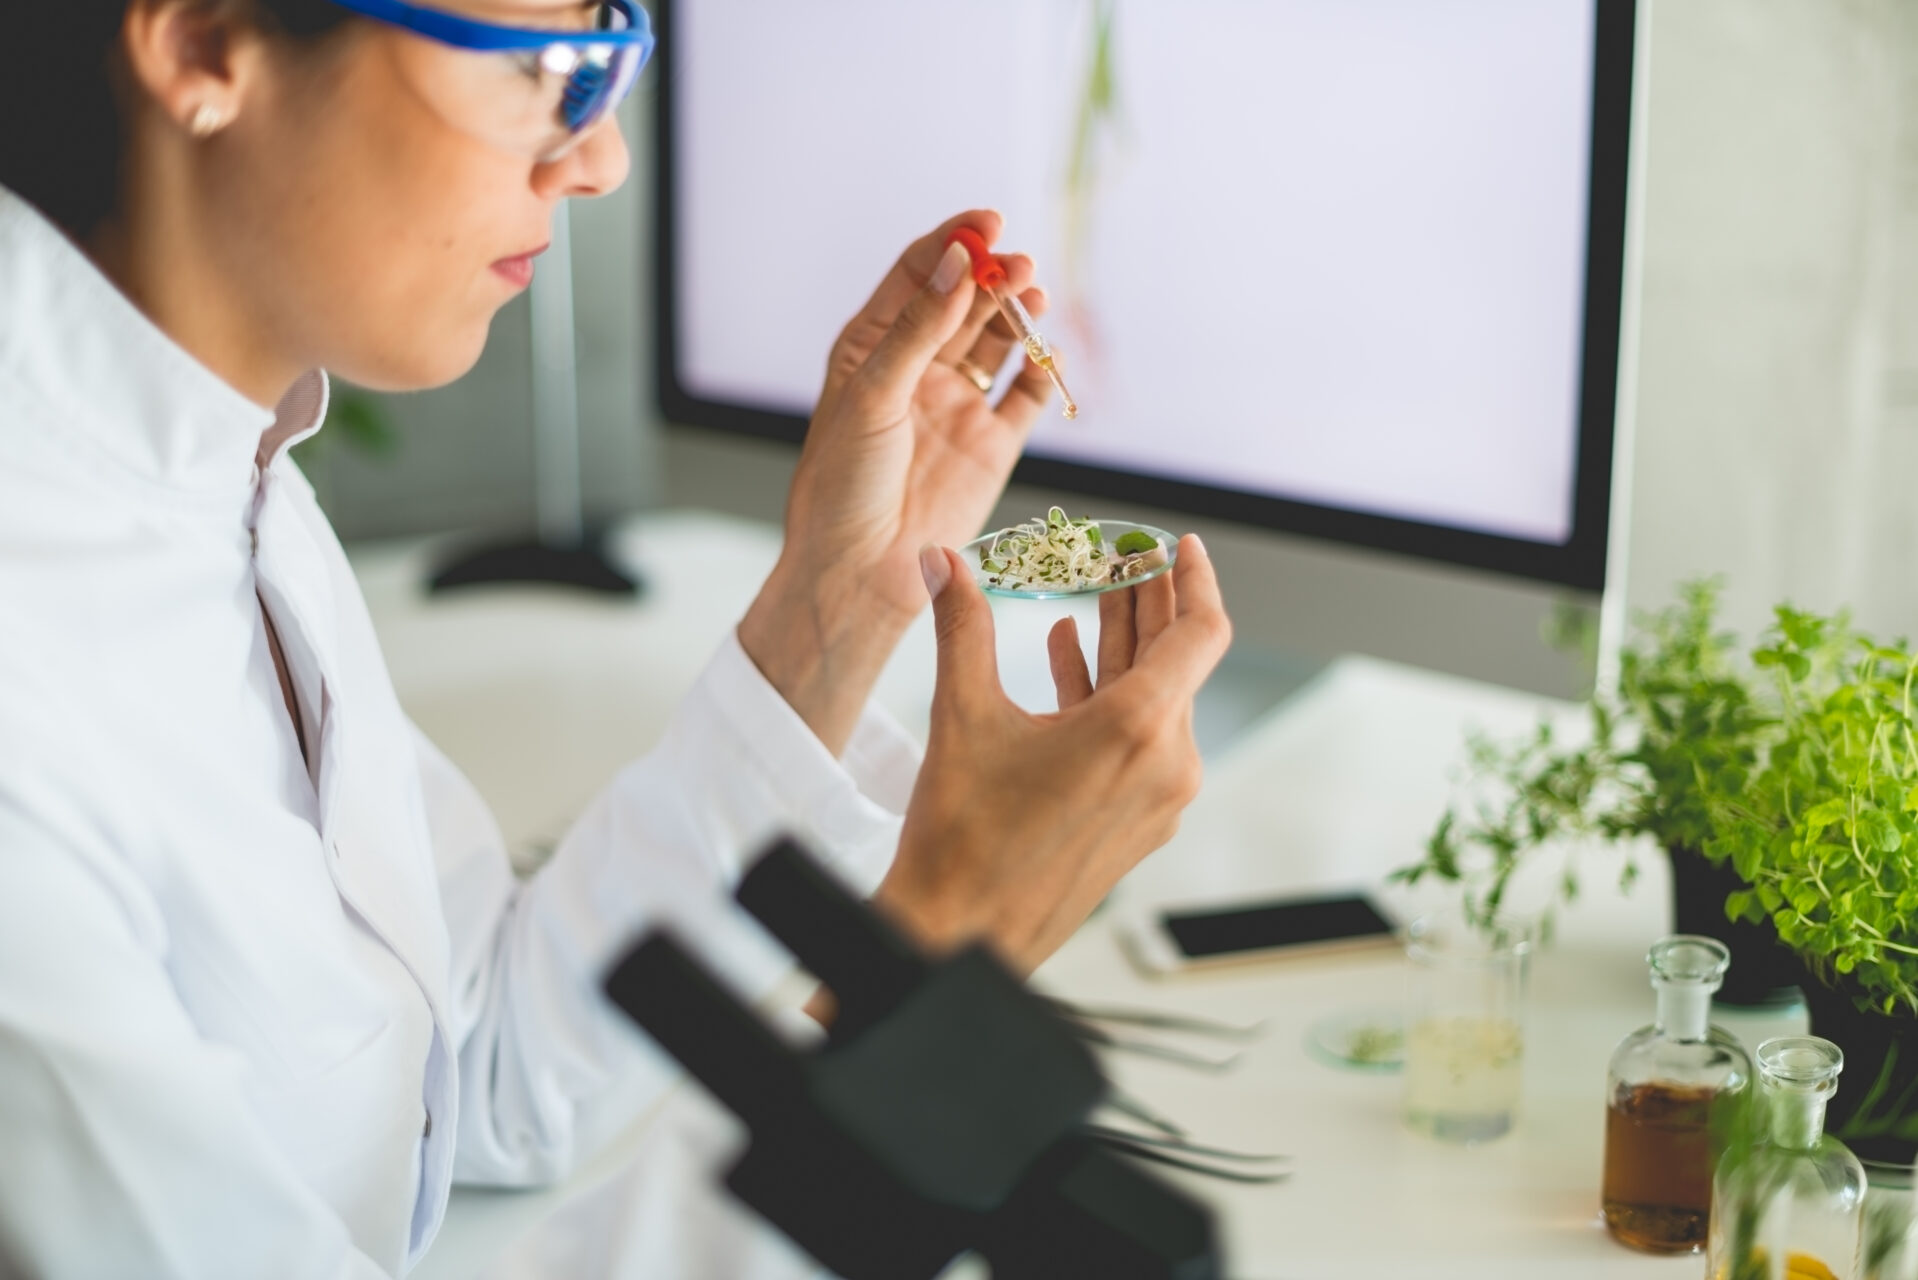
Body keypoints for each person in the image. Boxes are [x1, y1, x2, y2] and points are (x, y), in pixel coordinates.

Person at [0, 1, 1232, 1276]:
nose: (600, 158)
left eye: (611, 58)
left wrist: (840, 600)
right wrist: (935, 968)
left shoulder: (223, 479)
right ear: (205, 43)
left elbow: (459, 1078)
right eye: (546, 67)